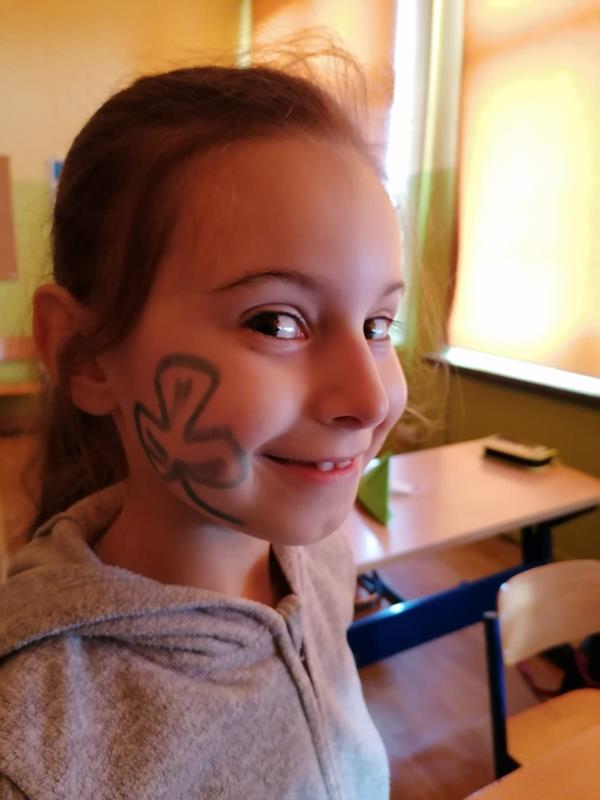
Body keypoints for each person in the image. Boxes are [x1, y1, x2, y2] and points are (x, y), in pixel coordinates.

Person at [0, 55, 407, 800]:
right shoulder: (31, 747)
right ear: (86, 357)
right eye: (276, 322)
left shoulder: (320, 565)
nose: (370, 399)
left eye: (379, 324)